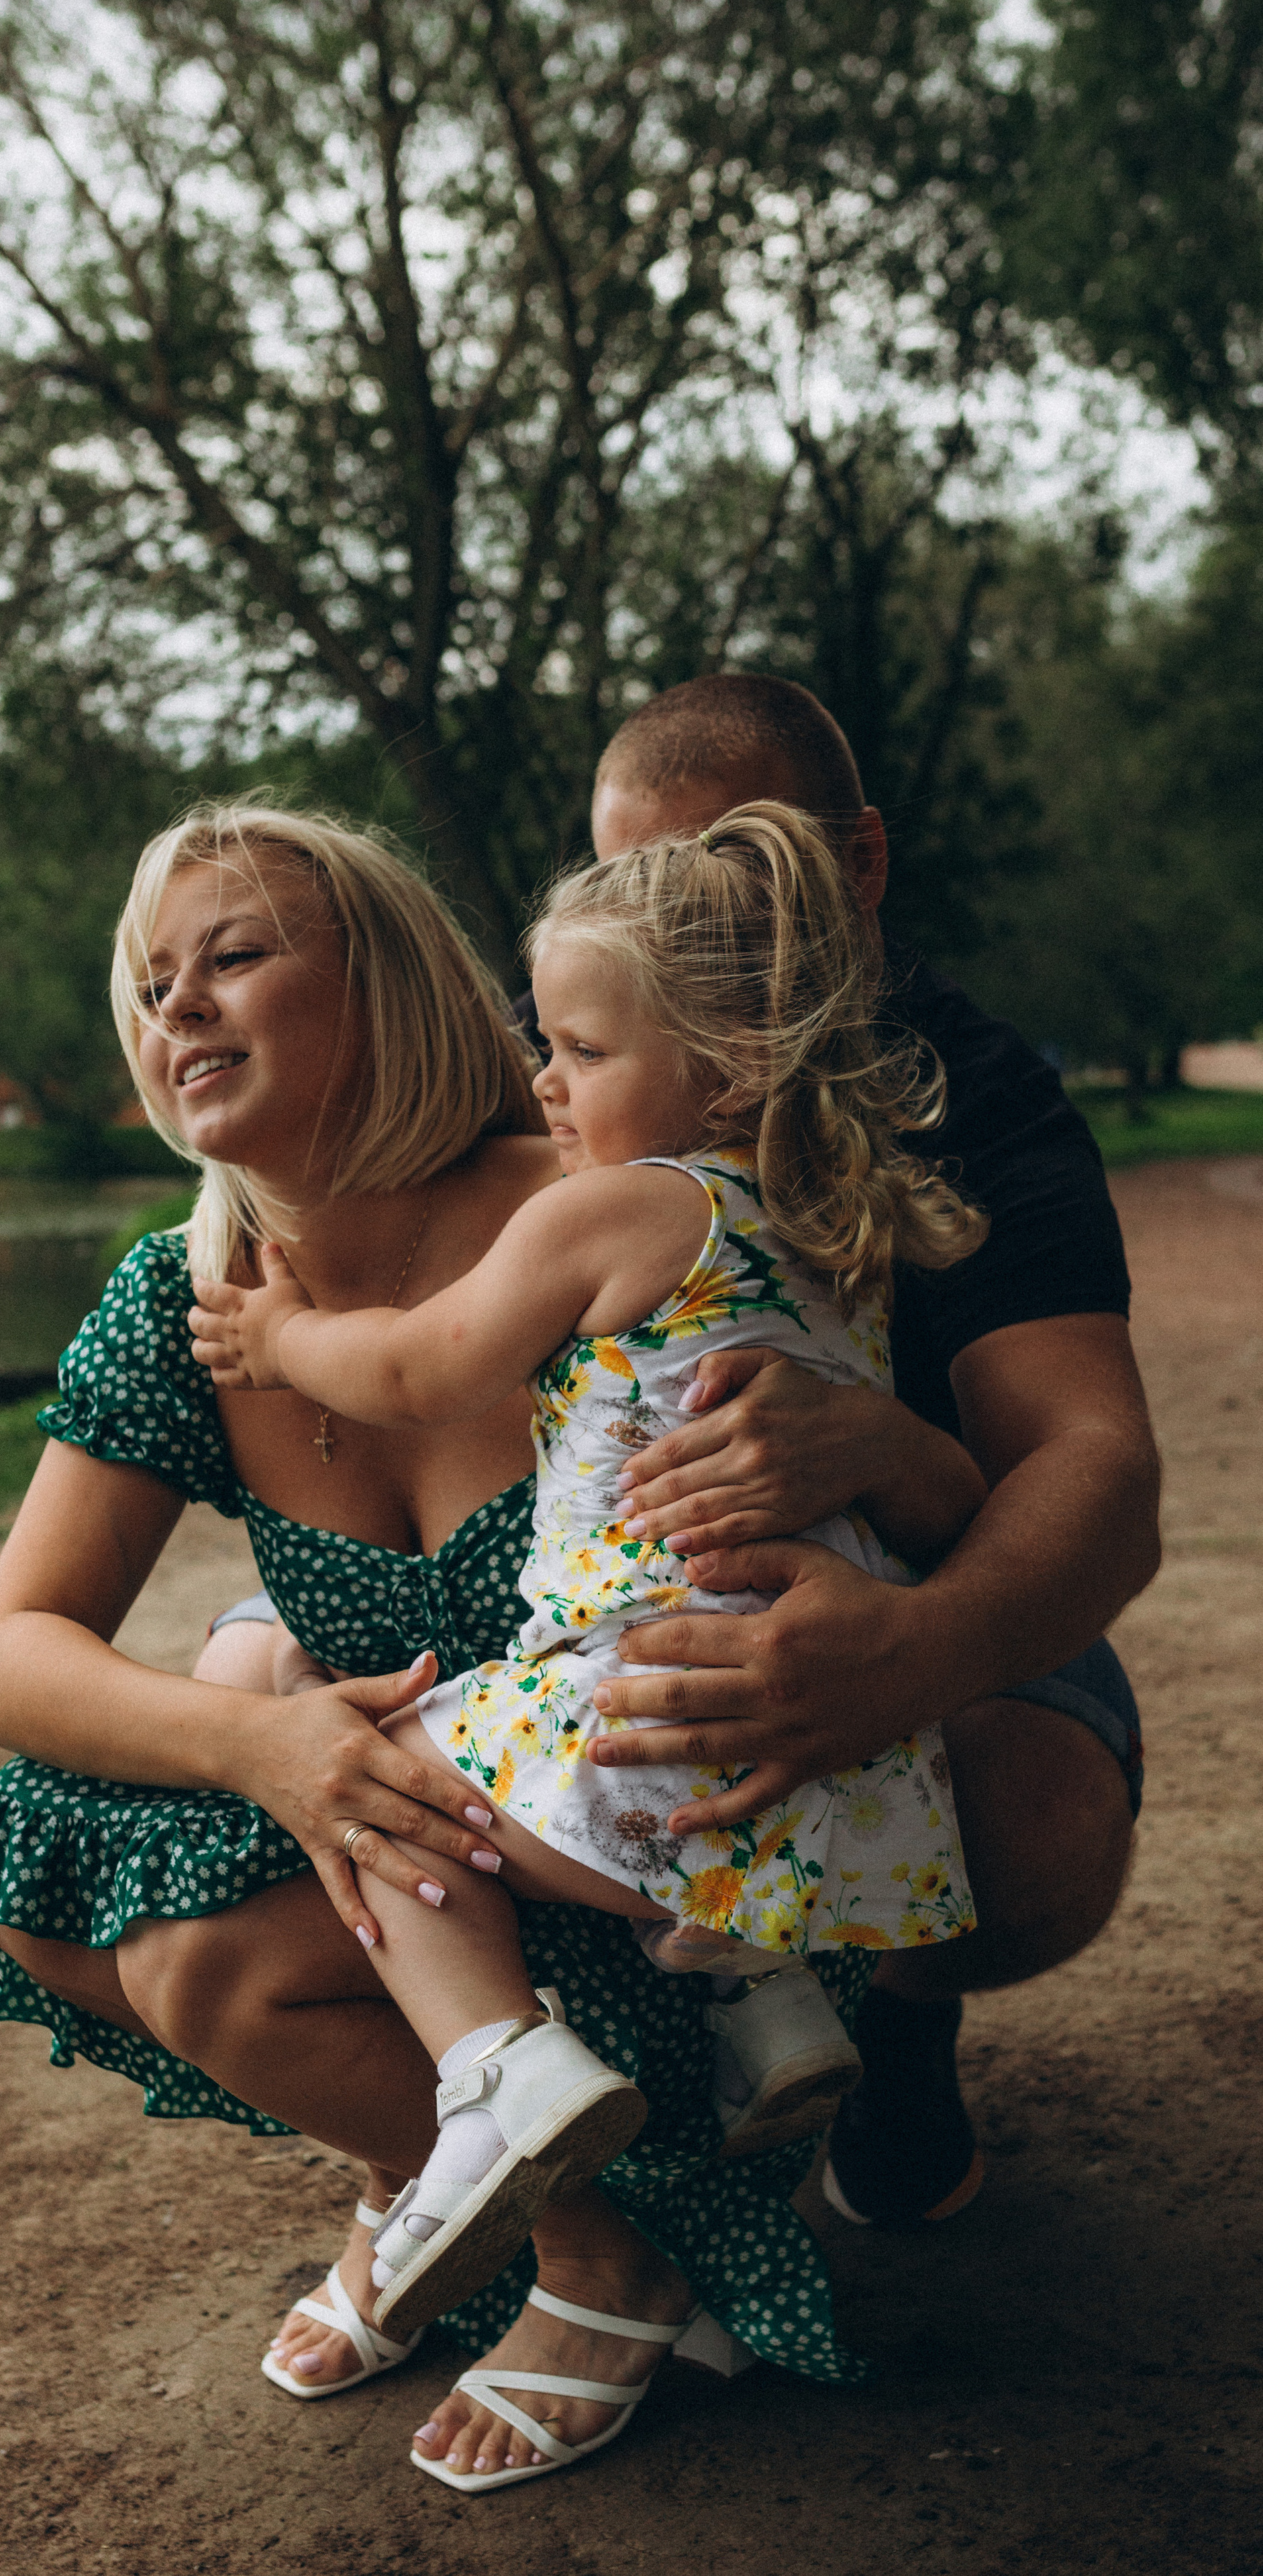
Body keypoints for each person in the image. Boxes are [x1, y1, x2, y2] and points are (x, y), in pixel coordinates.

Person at [0, 801, 883, 2499]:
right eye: (150, 983)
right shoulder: (189, 1296)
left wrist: (865, 1444)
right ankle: (445, 2155)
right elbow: (6, 1660)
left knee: (207, 1959)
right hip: (435, 1880)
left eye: (234, 956)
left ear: (388, 987)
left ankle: (601, 2251)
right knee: (33, 1866)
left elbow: (865, 1427)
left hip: (677, 1899)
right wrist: (268, 1745)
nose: (178, 1008)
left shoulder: (595, 1206)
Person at [208, 673, 1157, 2238]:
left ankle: (783, 2034)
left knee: (410, 1785)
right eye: (632, 885)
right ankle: (740, 2000)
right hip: (554, 1580)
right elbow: (390, 1184)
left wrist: (904, 1604)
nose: (681, 922)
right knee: (269, 1655)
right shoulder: (604, 1065)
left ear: (851, 863)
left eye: (727, 877)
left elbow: (1091, 1470)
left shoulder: (948, 1103)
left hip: (850, 1592)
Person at [185, 804, 989, 2400]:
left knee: (383, 1771)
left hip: (646, 1711)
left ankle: (496, 2067)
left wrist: (280, 1345)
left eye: (574, 1047)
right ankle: (760, 1997)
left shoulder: (613, 1207)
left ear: (728, 1069)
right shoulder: (823, 1232)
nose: (539, 1082)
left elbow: (423, 1364)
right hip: (834, 1766)